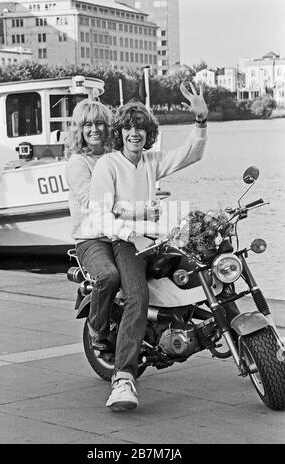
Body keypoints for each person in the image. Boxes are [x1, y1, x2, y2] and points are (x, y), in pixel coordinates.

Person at [82, 82, 209, 412]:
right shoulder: (107, 165)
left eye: (140, 127)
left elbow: (191, 154)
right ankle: (123, 378)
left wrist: (200, 120)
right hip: (126, 242)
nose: (134, 133)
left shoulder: (151, 161)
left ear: (148, 133)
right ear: (120, 132)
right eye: (128, 127)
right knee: (138, 295)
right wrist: (129, 233)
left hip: (159, 238)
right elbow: (99, 213)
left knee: (202, 268)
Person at [65, 100, 120, 351]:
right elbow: (90, 201)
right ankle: (97, 328)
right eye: (87, 124)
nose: (94, 129)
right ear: (79, 129)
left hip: (120, 233)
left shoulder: (115, 157)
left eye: (99, 123)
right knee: (108, 276)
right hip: (91, 238)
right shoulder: (78, 163)